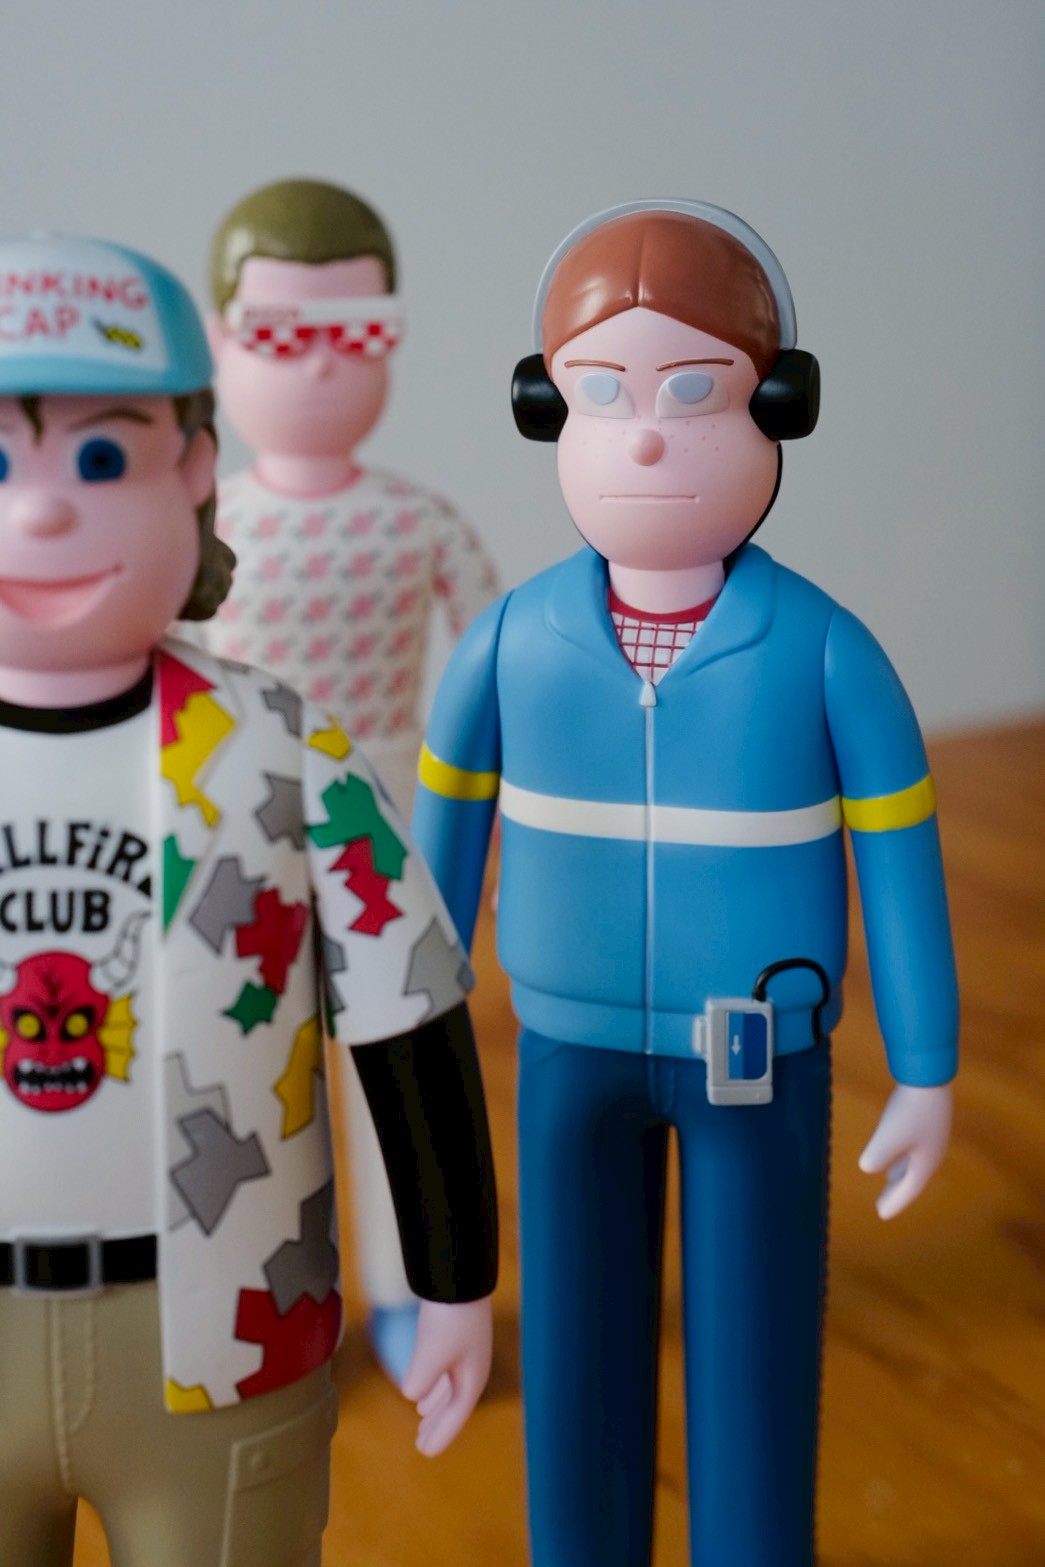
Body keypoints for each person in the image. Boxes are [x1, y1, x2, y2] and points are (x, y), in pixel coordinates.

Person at [412, 200, 959, 1567]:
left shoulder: (825, 649)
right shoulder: (508, 644)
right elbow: (432, 861)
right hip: (566, 1047)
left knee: (754, 1363)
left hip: (757, 1051)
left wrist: (928, 1063)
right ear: (549, 409)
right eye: (605, 393)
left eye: (694, 391)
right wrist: (406, 1030)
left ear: (777, 405)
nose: (648, 436)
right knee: (576, 1362)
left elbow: (900, 856)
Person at [0, 231, 496, 1567]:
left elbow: (409, 1021)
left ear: (195, 471)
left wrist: (452, 1278)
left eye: (100, 460)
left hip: (227, 1333)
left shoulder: (287, 747)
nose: (40, 514)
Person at [191, 179, 500, 1382]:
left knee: (400, 1062)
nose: (321, 364)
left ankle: (416, 1292)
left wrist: (512, 814)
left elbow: (494, 668)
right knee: (245, 1077)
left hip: (389, 824)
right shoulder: (207, 530)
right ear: (219, 340)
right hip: (238, 827)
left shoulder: (422, 523)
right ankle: (270, 1304)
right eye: (279, 332)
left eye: (356, 331)